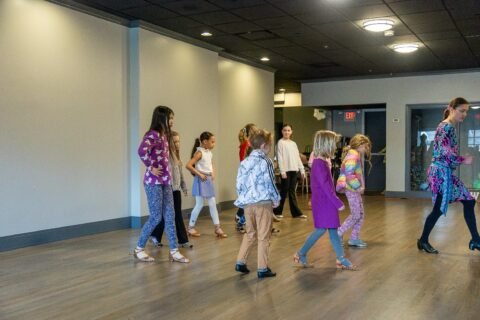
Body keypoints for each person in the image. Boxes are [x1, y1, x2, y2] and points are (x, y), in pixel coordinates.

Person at [418, 97, 480, 254]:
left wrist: (458, 158)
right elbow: (446, 155)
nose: (465, 114)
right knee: (439, 209)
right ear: (452, 109)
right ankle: (423, 240)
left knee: (469, 201)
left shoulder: (447, 126)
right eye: (462, 111)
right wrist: (463, 159)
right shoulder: (447, 127)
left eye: (466, 111)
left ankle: (476, 240)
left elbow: (446, 154)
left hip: (443, 172)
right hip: (440, 174)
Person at [293, 130, 357, 270]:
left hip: (326, 201)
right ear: (326, 145)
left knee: (333, 229)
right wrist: (337, 202)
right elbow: (325, 187)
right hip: (324, 202)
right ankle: (301, 253)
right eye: (333, 144)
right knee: (321, 229)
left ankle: (341, 258)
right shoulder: (318, 163)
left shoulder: (321, 162)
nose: (335, 147)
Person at [134, 106, 189, 263]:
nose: (172, 121)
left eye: (173, 118)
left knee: (170, 215)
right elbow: (141, 151)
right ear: (161, 118)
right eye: (169, 118)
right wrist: (151, 166)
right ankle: (139, 248)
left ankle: (174, 251)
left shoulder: (165, 136)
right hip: (153, 183)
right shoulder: (153, 135)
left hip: (166, 181)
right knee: (156, 216)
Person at [234, 129, 281, 278]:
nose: (270, 148)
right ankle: (262, 268)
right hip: (263, 202)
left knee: (250, 233)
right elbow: (270, 182)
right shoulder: (266, 161)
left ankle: (240, 261)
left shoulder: (245, 161)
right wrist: (276, 198)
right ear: (263, 146)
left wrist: (243, 198)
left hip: (248, 203)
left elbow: (239, 183)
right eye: (269, 145)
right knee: (264, 235)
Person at [150, 131, 192, 248]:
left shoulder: (177, 157)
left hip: (176, 189)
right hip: (168, 189)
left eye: (178, 141)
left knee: (177, 214)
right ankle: (155, 235)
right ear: (169, 142)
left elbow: (180, 174)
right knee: (166, 215)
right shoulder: (166, 157)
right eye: (174, 142)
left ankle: (182, 240)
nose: (177, 144)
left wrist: (183, 187)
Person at [186, 132, 227, 238]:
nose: (214, 144)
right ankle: (190, 228)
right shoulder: (199, 152)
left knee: (212, 203)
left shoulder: (208, 152)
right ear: (205, 142)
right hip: (201, 180)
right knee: (199, 204)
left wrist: (213, 172)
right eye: (212, 142)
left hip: (207, 180)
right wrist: (200, 174)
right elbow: (189, 165)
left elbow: (211, 162)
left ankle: (217, 228)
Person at [336, 134, 372, 248]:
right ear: (360, 145)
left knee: (360, 214)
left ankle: (354, 238)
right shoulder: (353, 156)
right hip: (351, 188)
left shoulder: (355, 154)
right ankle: (338, 233)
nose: (366, 149)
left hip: (353, 189)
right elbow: (349, 174)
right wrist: (358, 187)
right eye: (365, 147)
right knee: (356, 214)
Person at [273, 124, 306, 219]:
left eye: (288, 130)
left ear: (291, 132)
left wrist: (302, 169)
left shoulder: (293, 144)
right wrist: (282, 171)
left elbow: (297, 157)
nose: (286, 132)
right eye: (285, 130)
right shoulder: (280, 143)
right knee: (284, 191)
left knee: (292, 192)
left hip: (294, 170)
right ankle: (277, 212)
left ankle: (296, 213)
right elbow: (280, 158)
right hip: (286, 171)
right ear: (282, 131)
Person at [235, 123, 257, 233]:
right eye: (254, 130)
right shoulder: (246, 144)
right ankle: (240, 220)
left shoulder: (251, 143)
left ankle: (240, 217)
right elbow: (244, 161)